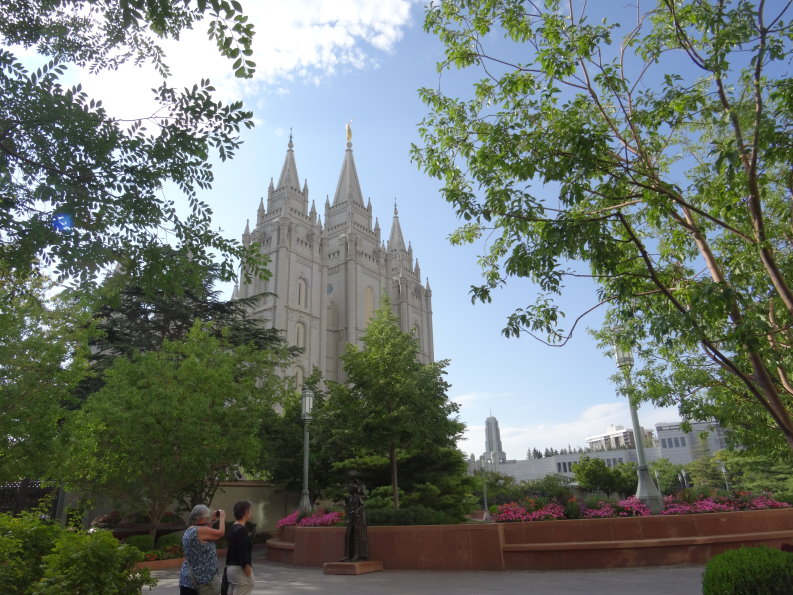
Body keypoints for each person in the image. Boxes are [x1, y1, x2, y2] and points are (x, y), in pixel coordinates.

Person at [179, 504, 225, 595]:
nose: (208, 519)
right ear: (199, 519)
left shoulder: (190, 530)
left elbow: (205, 533)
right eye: (207, 517)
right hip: (201, 582)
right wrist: (222, 518)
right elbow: (220, 533)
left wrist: (212, 521)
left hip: (188, 580)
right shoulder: (199, 531)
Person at [225, 500, 255, 594]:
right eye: (250, 510)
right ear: (246, 512)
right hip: (240, 569)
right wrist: (249, 572)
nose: (251, 512)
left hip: (230, 569)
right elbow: (243, 552)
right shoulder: (242, 530)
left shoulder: (232, 527)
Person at [342, 471, 369, 561]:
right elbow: (347, 507)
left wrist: (356, 512)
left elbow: (362, 506)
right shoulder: (349, 498)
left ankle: (357, 555)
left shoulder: (358, 497)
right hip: (350, 517)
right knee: (348, 534)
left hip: (357, 517)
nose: (349, 488)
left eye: (351, 487)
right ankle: (346, 555)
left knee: (357, 536)